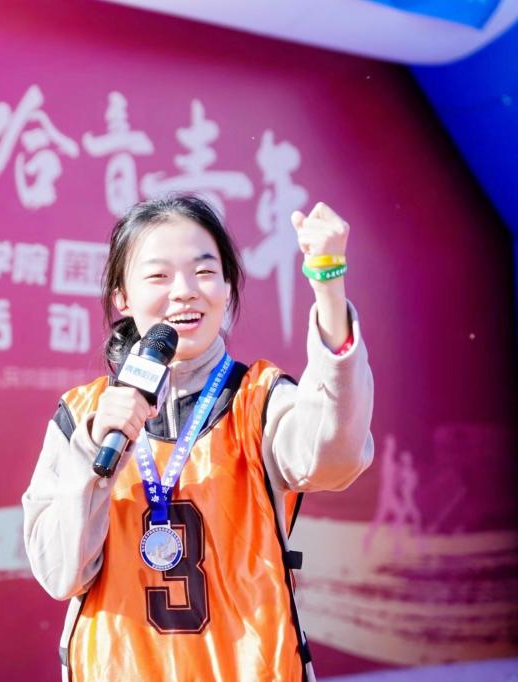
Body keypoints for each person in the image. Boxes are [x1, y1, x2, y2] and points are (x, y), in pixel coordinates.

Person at [21, 194, 374, 681]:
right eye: (158, 276)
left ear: (227, 287)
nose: (185, 291)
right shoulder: (82, 416)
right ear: (122, 297)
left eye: (204, 271)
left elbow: (336, 458)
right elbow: (60, 573)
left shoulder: (260, 399)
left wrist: (329, 288)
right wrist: (92, 449)